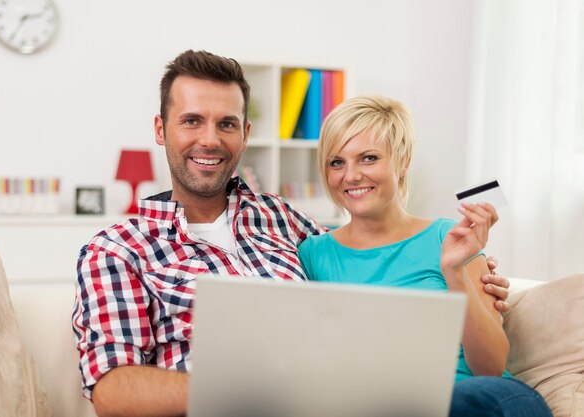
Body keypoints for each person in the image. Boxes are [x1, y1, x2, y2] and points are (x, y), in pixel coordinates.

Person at [72, 50, 511, 417]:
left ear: (244, 134)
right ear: (160, 130)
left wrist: (473, 275)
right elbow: (112, 390)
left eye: (226, 124)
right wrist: (250, 389)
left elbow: (369, 249)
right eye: (191, 121)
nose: (209, 139)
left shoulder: (283, 221)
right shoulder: (118, 250)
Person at [297, 94, 553, 417]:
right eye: (337, 162)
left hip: (486, 398)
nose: (351, 176)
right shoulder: (311, 256)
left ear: (403, 163)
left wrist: (455, 272)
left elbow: (489, 366)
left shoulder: (450, 238)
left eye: (368, 158)